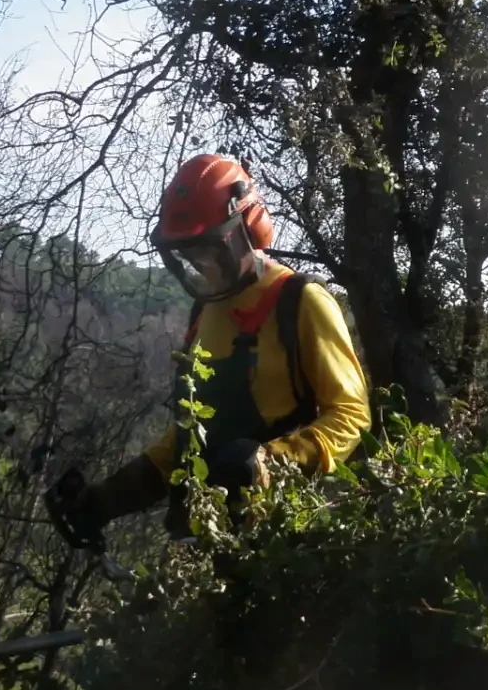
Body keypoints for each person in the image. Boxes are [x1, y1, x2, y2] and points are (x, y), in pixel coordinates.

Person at [54, 154, 371, 544]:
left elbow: (352, 416)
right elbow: (190, 439)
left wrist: (272, 461)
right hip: (197, 539)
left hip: (278, 540)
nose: (201, 262)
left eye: (209, 248)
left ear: (247, 228)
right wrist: (107, 499)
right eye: (189, 253)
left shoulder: (300, 301)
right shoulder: (204, 312)